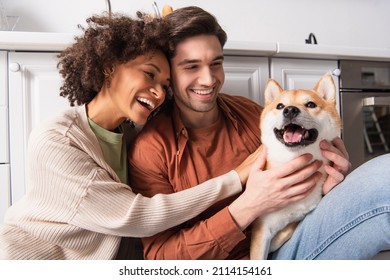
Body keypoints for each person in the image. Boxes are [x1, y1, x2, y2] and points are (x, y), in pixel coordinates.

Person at [0, 12, 273, 260]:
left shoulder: (131, 132)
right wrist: (236, 178)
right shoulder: (57, 139)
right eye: (148, 74)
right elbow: (137, 216)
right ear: (110, 66)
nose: (158, 92)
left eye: (165, 84)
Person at [128, 6, 390, 260]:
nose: (208, 79)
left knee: (382, 177)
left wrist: (328, 186)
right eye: (191, 66)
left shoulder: (252, 114)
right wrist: (248, 207)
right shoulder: (151, 150)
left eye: (216, 63)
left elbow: (302, 191)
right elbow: (161, 258)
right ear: (168, 73)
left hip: (289, 241)